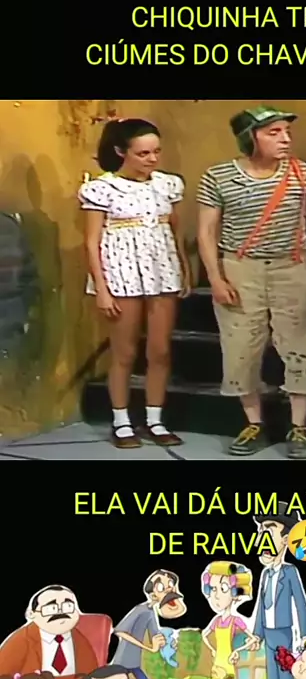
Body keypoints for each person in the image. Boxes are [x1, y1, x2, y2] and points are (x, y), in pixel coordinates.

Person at [196, 104, 306, 459]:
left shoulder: (301, 172)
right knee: (241, 346)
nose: (285, 139)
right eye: (274, 132)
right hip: (240, 268)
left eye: (287, 132)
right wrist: (215, 278)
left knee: (301, 344)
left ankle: (299, 426)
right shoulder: (219, 176)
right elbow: (207, 231)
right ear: (249, 138)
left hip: (292, 266)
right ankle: (253, 422)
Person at [78, 117, 192, 449]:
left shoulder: (167, 185)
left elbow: (175, 229)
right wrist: (102, 289)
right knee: (124, 352)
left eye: (156, 152)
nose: (152, 159)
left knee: (160, 350)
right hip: (121, 273)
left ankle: (155, 420)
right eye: (143, 153)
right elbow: (91, 242)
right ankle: (121, 422)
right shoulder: (102, 188)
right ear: (121, 152)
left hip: (162, 270)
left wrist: (184, 268)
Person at [249, 501, 306, 679]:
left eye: (269, 532)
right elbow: (261, 607)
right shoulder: (264, 574)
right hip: (267, 633)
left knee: (284, 675)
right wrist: (257, 634)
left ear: (286, 539)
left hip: (283, 633)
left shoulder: (290, 572)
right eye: (260, 533)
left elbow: (301, 604)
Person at [0, 585, 97, 679]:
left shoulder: (79, 639)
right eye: (51, 608)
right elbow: (2, 672)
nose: (61, 612)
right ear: (32, 614)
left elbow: (92, 674)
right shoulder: (22, 639)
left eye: (68, 606)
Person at [201, 561, 258, 679]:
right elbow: (204, 635)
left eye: (223, 589)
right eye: (213, 589)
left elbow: (252, 638)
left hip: (228, 663)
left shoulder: (235, 620)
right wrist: (212, 649)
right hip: (217, 662)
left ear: (235, 593)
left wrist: (237, 651)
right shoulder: (216, 621)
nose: (216, 595)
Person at [112, 568, 187, 676]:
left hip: (135, 663)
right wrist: (148, 648)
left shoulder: (151, 612)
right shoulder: (141, 609)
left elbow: (155, 635)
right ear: (153, 595)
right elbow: (119, 631)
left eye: (170, 584)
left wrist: (169, 642)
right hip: (123, 661)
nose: (168, 589)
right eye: (161, 587)